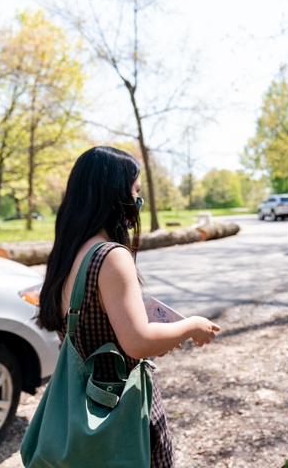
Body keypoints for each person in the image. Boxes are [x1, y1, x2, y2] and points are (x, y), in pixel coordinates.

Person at [38, 146, 221, 468]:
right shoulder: (111, 256)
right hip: (118, 407)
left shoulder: (69, 252)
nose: (138, 202)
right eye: (135, 192)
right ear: (113, 194)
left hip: (77, 406)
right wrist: (192, 325)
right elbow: (137, 342)